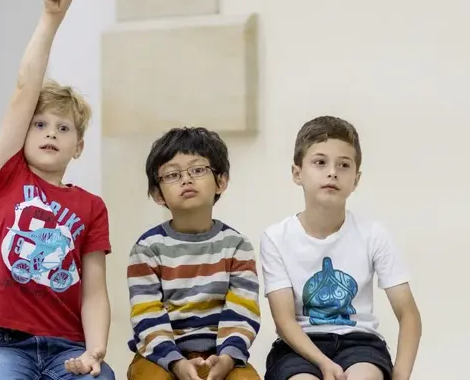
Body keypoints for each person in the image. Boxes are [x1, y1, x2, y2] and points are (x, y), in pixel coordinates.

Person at [0, 0, 113, 379]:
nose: (51, 133)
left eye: (63, 128)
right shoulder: (6, 175)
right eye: (40, 124)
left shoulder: (91, 207)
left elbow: (95, 290)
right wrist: (52, 19)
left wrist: (95, 352)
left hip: (68, 346)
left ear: (78, 147)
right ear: (23, 133)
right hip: (6, 345)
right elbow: (24, 87)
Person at [260, 116, 421, 380]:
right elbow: (285, 321)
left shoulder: (373, 234)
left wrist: (400, 376)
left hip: (360, 344)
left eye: (343, 165)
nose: (332, 172)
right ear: (297, 173)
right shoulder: (276, 237)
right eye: (320, 162)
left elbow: (409, 314)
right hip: (298, 347)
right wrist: (323, 363)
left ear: (356, 180)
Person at [125, 128, 261, 380]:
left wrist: (227, 357)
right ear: (157, 193)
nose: (186, 180)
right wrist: (174, 361)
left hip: (220, 353)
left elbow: (243, 310)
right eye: (172, 175)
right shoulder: (147, 248)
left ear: (221, 181)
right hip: (161, 356)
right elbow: (147, 314)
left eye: (198, 170)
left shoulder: (237, 245)